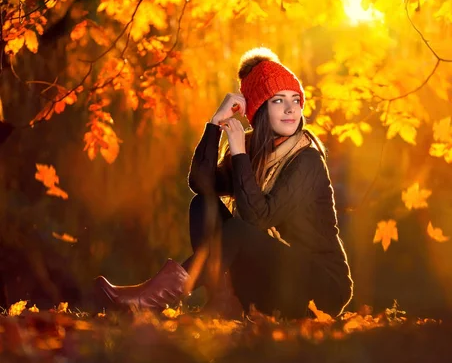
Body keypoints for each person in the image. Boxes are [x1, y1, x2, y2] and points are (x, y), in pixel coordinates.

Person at [95, 47, 353, 319]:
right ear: (259, 110)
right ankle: (224, 300)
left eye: (295, 100)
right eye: (278, 100)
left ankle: (154, 298)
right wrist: (215, 125)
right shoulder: (254, 151)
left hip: (321, 287)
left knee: (240, 230)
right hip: (275, 280)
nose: (291, 109)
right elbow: (201, 183)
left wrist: (239, 152)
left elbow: (257, 219)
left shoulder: (307, 159)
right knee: (201, 205)